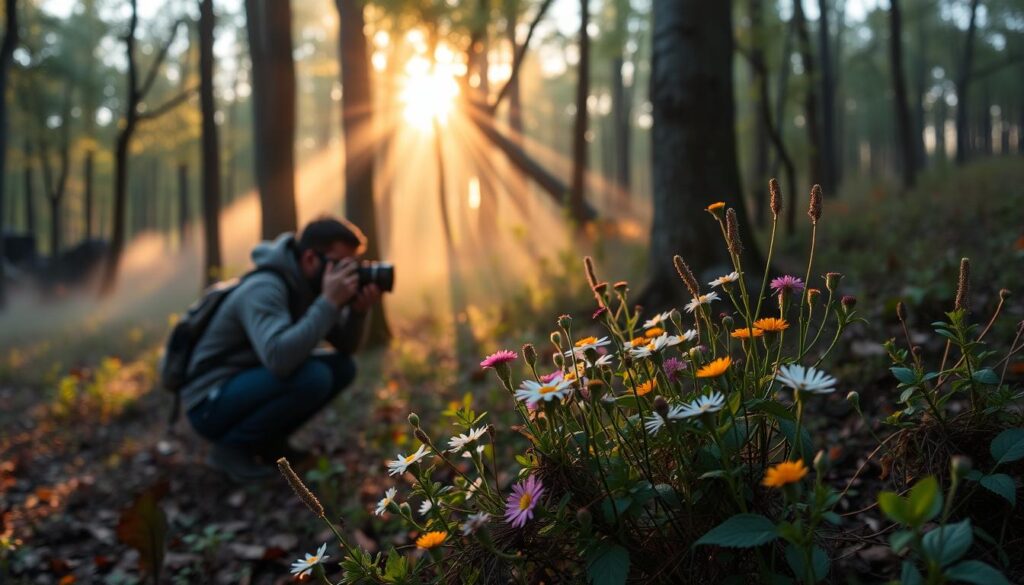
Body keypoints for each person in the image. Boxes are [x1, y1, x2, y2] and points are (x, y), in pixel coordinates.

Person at [182, 216, 382, 481]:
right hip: (209, 401)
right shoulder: (265, 288)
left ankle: (269, 444)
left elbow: (346, 349)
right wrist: (329, 303)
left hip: (246, 383)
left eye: (351, 265)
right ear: (311, 258)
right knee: (314, 377)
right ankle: (230, 450)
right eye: (339, 264)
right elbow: (280, 359)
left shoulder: (308, 286)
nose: (346, 273)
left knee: (341, 368)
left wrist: (358, 313)